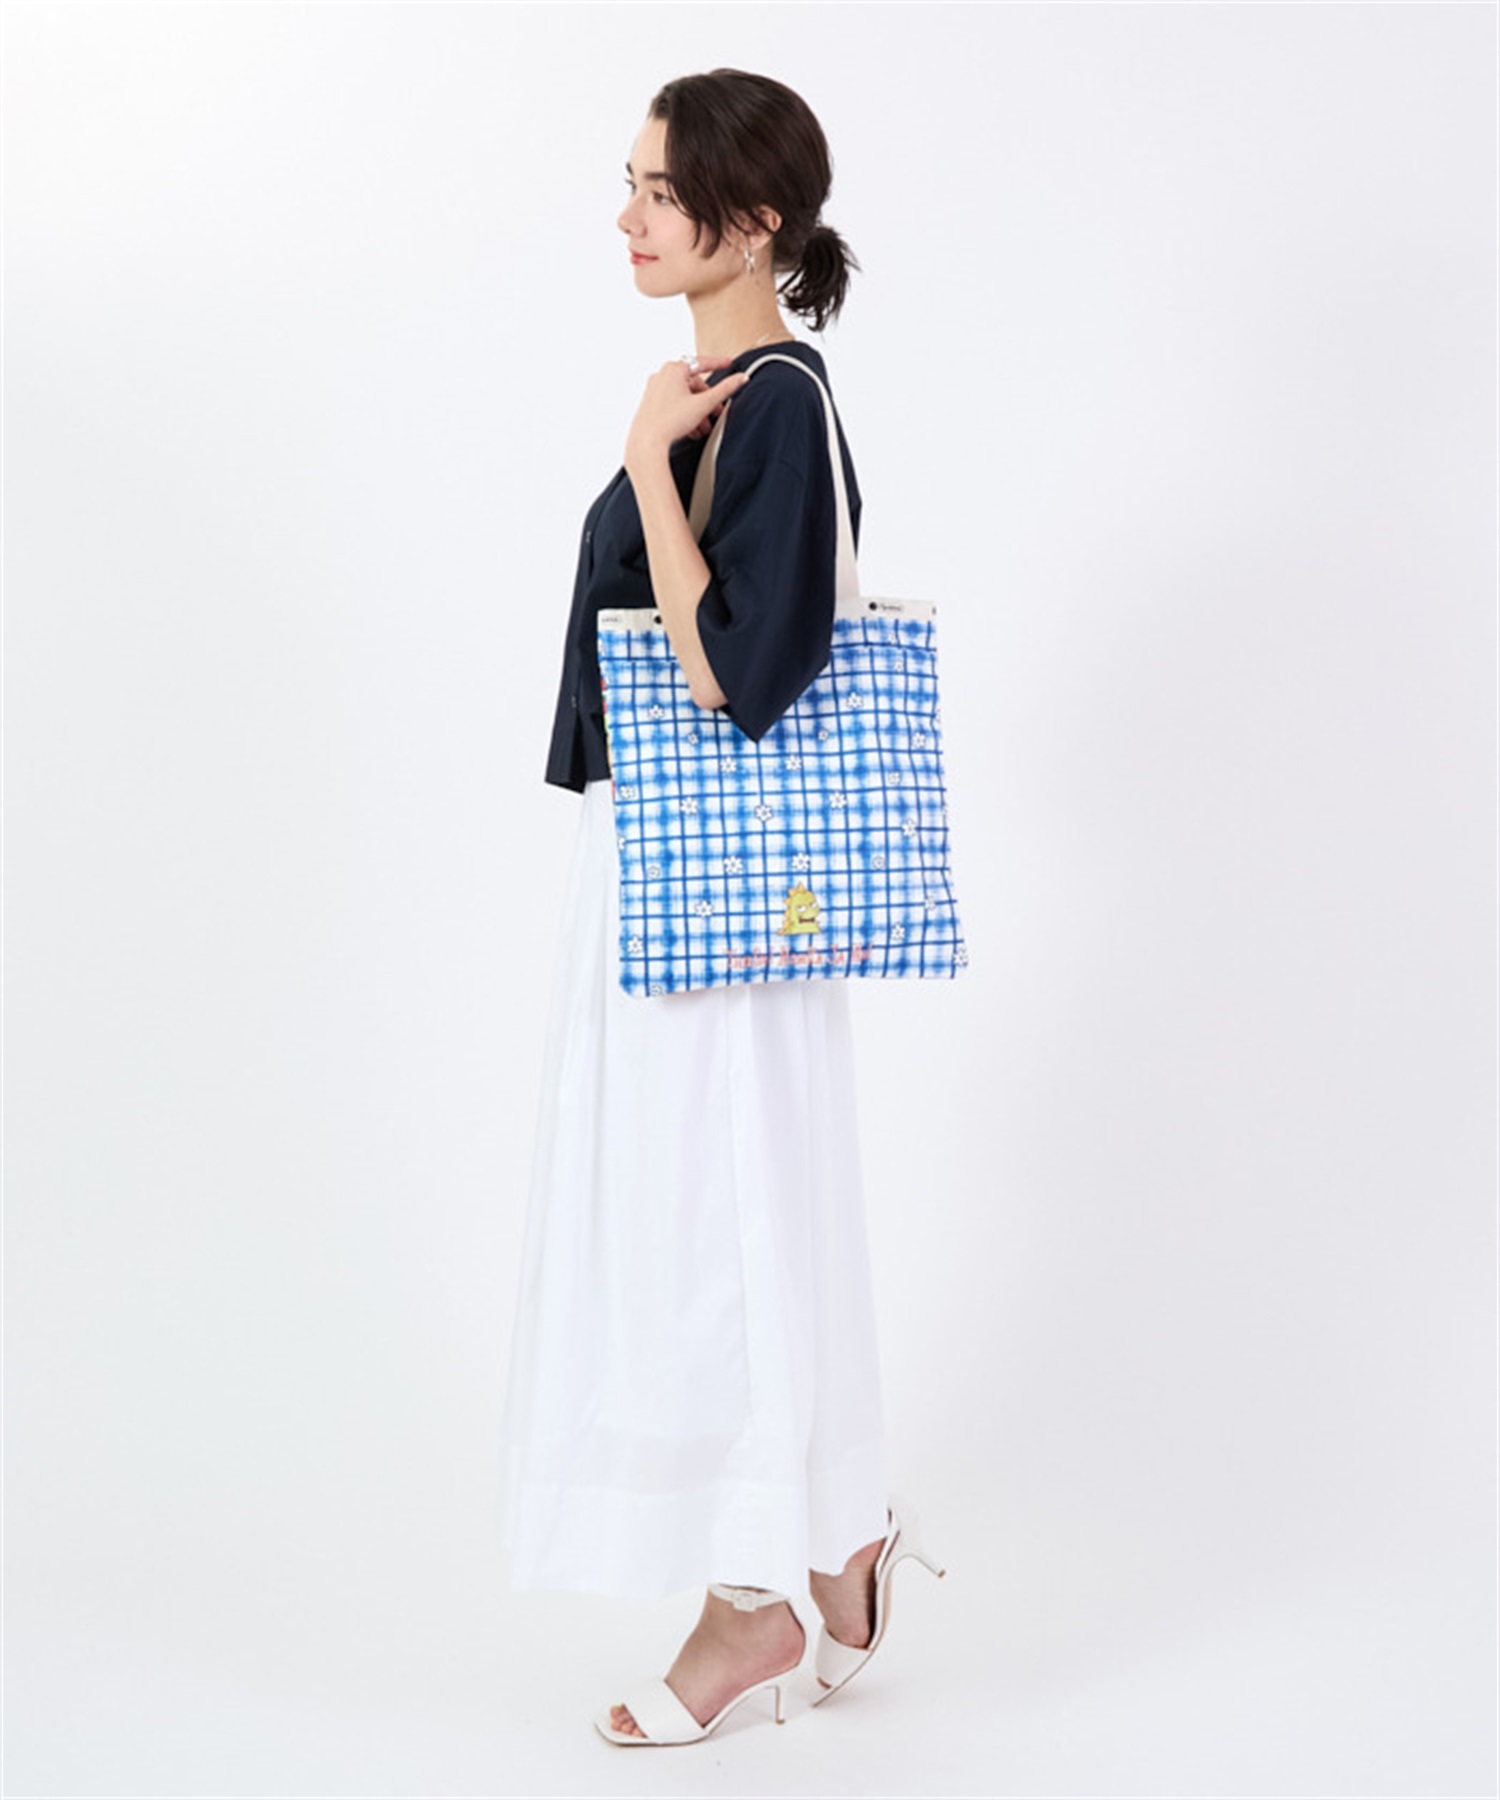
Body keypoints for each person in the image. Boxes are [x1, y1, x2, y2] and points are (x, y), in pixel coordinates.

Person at [496, 68, 942, 1747]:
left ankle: (758, 1598)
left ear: (751, 222)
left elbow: (735, 680)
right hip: (677, 881)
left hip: (727, 900)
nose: (626, 217)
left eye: (658, 192)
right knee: (704, 1220)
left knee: (719, 1226)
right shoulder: (723, 398)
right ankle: (830, 1542)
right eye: (628, 184)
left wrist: (641, 463)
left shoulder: (772, 409)